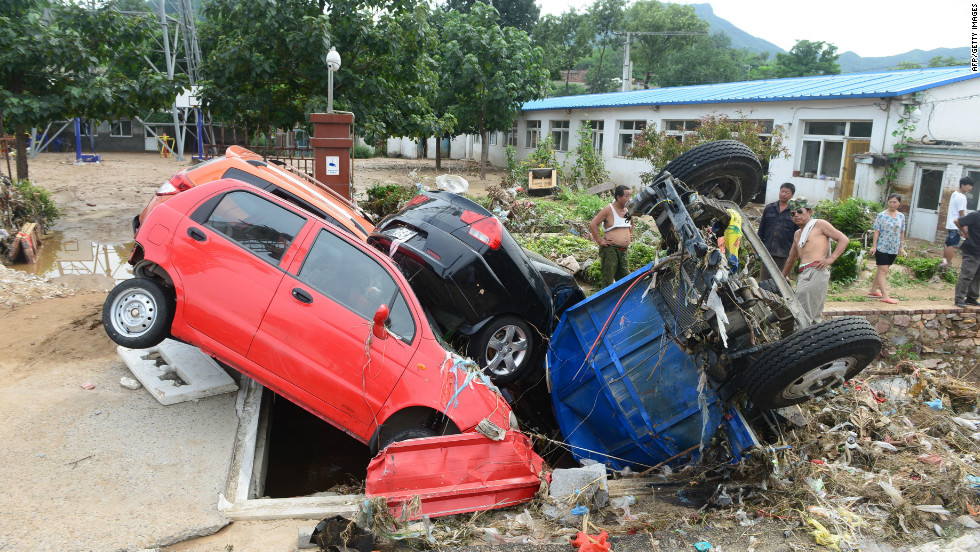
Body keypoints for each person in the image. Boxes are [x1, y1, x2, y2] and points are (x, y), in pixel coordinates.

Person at [781, 197, 850, 323]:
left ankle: (804, 338)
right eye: (793, 213)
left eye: (799, 212)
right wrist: (783, 276)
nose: (796, 215)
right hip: (804, 272)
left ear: (809, 212)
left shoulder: (819, 224)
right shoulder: (798, 234)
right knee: (805, 308)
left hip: (817, 270)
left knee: (807, 310)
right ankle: (810, 338)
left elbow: (843, 239)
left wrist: (831, 259)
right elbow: (792, 257)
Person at [589, 185, 634, 287]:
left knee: (624, 280)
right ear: (618, 197)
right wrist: (600, 241)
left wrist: (630, 234)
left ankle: (621, 301)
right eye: (627, 196)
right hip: (611, 250)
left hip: (623, 251)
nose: (629, 199)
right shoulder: (609, 209)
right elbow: (593, 224)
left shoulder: (628, 210)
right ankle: (605, 301)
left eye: (630, 196)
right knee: (608, 279)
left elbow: (632, 223)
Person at [868, 193, 907, 304]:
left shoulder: (901, 216)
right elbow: (877, 231)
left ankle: (873, 290)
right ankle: (885, 296)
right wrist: (874, 246)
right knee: (883, 271)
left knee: (883, 270)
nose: (892, 204)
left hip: (894, 248)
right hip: (882, 247)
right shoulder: (881, 215)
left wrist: (901, 247)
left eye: (895, 202)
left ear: (899, 203)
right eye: (890, 202)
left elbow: (902, 232)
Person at [757, 183, 797, 280]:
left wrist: (795, 252)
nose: (784, 194)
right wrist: (758, 247)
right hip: (767, 251)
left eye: (787, 192)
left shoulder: (795, 211)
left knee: (781, 281)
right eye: (782, 191)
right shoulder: (769, 208)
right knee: (764, 281)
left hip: (785, 253)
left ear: (792, 195)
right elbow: (761, 229)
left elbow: (798, 233)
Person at [942, 177, 974, 268]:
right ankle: (946, 264)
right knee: (952, 245)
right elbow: (961, 213)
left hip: (951, 224)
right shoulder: (962, 197)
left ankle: (943, 263)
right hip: (956, 225)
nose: (970, 188)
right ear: (963, 185)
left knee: (949, 244)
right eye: (969, 185)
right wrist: (964, 227)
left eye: (971, 186)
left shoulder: (954, 194)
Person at [953, 208, 980, 308]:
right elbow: (957, 221)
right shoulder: (975, 215)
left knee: (977, 276)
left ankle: (972, 298)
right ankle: (959, 298)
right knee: (967, 275)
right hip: (971, 250)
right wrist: (965, 233)